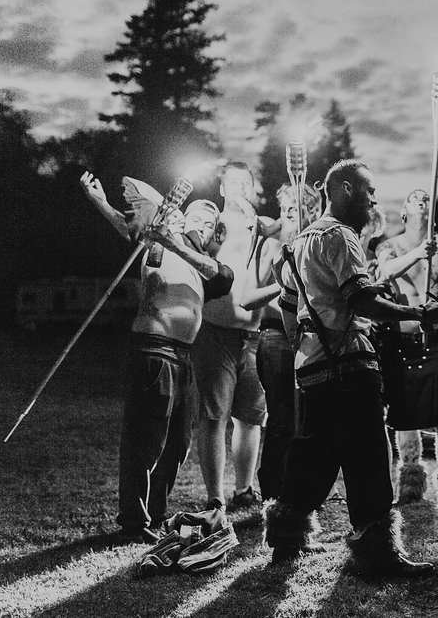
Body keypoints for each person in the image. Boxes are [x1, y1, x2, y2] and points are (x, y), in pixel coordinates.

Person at [262, 160, 438, 576]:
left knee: (314, 455)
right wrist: (417, 313)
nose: (374, 200)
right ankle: (378, 552)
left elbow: (288, 306)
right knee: (368, 458)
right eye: (369, 191)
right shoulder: (341, 236)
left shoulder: (299, 242)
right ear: (344, 189)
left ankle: (287, 539)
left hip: (313, 365)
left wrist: (302, 346)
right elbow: (361, 300)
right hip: (350, 365)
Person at [79, 172, 234, 543]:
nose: (202, 223)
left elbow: (220, 275)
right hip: (153, 347)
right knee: (145, 438)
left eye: (210, 221)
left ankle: (157, 513)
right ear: (182, 217)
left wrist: (174, 240)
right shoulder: (157, 242)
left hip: (185, 357)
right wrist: (101, 201)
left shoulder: (205, 265)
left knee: (178, 443)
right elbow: (132, 227)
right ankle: (134, 522)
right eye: (197, 215)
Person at [376, 190, 438, 523]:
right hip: (402, 340)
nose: (421, 200)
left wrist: (434, 261)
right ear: (403, 210)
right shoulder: (389, 245)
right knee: (404, 419)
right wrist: (417, 254)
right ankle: (409, 488)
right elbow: (384, 273)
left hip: (436, 337)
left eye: (426, 197)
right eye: (414, 197)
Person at [239, 183, 322, 501]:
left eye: (295, 206)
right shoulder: (272, 245)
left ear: (312, 211)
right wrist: (285, 282)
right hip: (276, 338)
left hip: (311, 338)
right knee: (283, 418)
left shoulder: (315, 244)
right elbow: (249, 298)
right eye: (284, 207)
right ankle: (273, 492)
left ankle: (301, 490)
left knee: (309, 419)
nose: (288, 212)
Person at [195, 161, 270, 510]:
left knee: (251, 417)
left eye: (245, 182)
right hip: (216, 331)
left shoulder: (263, 226)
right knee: (214, 416)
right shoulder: (213, 224)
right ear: (223, 189)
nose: (239, 187)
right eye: (232, 182)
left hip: (253, 334)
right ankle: (215, 496)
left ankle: (244, 489)